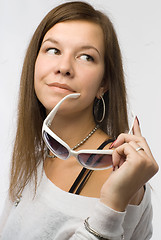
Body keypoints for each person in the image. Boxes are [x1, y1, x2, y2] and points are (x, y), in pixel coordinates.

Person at [0, 1, 158, 239]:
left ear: (103, 84)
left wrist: (112, 203)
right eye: (53, 50)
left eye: (86, 57)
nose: (64, 67)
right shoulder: (37, 156)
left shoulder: (123, 177)